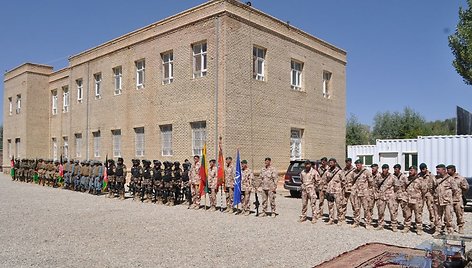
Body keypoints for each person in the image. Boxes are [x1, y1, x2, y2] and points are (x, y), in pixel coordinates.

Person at [433, 164, 458, 235]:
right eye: (436, 169)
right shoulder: (435, 178)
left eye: (438, 169)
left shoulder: (450, 179)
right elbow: (431, 188)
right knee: (437, 216)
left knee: (448, 216)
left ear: (444, 170)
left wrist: (451, 198)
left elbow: (455, 190)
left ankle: (450, 230)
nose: (437, 171)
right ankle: (437, 230)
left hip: (447, 202)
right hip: (437, 201)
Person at [400, 166, 426, 235]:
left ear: (416, 171)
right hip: (408, 200)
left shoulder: (420, 180)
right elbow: (403, 188)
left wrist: (419, 196)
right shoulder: (407, 179)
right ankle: (406, 227)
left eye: (412, 170)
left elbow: (424, 190)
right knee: (407, 215)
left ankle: (419, 229)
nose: (410, 172)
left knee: (418, 215)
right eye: (409, 170)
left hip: (417, 201)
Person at [375, 164, 399, 232]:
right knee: (380, 212)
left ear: (388, 169)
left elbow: (397, 186)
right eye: (383, 168)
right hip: (381, 197)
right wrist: (377, 193)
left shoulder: (392, 177)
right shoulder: (378, 176)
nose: (384, 170)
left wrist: (393, 193)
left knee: (392, 212)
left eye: (385, 168)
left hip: (390, 197)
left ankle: (394, 225)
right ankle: (380, 225)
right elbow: (375, 185)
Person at [350, 159, 373, 229]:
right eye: (356, 165)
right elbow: (351, 181)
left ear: (361, 164)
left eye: (358, 165)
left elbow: (371, 182)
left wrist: (369, 192)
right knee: (356, 208)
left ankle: (367, 223)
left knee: (366, 209)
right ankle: (356, 222)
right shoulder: (354, 172)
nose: (357, 166)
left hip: (364, 194)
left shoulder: (366, 172)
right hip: (356, 193)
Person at [447, 164, 469, 234]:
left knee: (459, 214)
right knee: (448, 215)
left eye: (448, 170)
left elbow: (466, 187)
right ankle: (450, 228)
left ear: (453, 170)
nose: (447, 171)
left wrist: (459, 193)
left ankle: (460, 226)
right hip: (448, 200)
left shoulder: (460, 178)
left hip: (458, 199)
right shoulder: (446, 178)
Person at [325, 158, 344, 225]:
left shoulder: (339, 171)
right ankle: (331, 219)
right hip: (330, 191)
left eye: (332, 162)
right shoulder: (327, 171)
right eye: (330, 163)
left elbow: (344, 181)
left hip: (337, 192)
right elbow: (325, 180)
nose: (330, 164)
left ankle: (340, 220)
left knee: (339, 206)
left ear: (335, 163)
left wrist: (342, 190)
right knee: (330, 206)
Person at [418, 163, 436, 231]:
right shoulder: (419, 176)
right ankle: (419, 224)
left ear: (426, 168)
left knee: (431, 210)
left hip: (429, 195)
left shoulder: (431, 176)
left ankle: (433, 224)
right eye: (421, 169)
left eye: (423, 169)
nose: (422, 170)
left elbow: (435, 185)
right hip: (421, 195)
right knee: (419, 210)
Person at [340, 158, 356, 224]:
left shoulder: (355, 170)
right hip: (344, 189)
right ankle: (342, 216)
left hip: (352, 189)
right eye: (346, 162)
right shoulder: (343, 170)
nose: (348, 163)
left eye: (349, 162)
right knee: (343, 203)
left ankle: (355, 218)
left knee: (354, 204)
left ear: (351, 162)